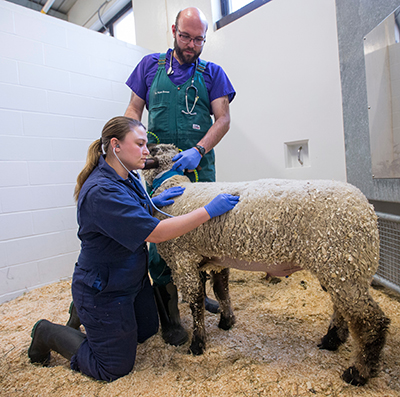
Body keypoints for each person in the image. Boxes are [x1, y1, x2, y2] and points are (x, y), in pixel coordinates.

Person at [28, 116, 239, 382]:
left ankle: (86, 314)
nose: (147, 151)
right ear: (116, 145)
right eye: (140, 144)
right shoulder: (101, 191)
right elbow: (156, 233)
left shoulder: (126, 175)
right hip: (104, 287)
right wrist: (208, 211)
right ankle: (46, 332)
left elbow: (131, 214)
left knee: (146, 331)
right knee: (113, 369)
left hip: (131, 279)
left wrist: (152, 204)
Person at [124, 7, 236, 346]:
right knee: (162, 238)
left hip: (199, 166)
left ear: (205, 38)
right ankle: (170, 313)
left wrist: (199, 150)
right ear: (174, 30)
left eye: (198, 39)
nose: (190, 44)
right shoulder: (149, 66)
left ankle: (200, 295)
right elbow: (132, 109)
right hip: (159, 169)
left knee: (207, 232)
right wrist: (135, 138)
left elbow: (223, 120)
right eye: (185, 36)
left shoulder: (212, 73)